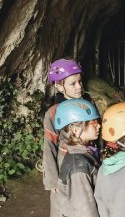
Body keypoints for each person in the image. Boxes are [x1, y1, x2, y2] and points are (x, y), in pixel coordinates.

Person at [43, 58, 98, 217]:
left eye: (80, 81)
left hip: (89, 155)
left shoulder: (88, 101)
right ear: (59, 86)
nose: (79, 87)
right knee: (64, 202)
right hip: (65, 162)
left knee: (89, 197)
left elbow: (96, 130)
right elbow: (49, 146)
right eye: (72, 84)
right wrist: (52, 180)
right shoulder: (53, 112)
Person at [54, 98, 101, 217]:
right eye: (93, 122)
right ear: (75, 130)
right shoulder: (78, 166)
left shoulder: (82, 154)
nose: (99, 126)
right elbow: (85, 211)